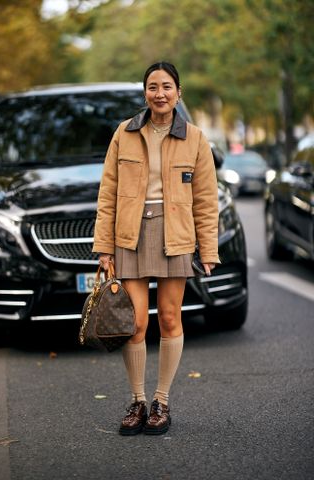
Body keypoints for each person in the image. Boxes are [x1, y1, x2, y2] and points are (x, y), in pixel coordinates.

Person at [92, 61, 220, 436]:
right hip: (130, 235)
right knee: (134, 324)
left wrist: (208, 250)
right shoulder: (125, 133)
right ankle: (137, 400)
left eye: (166, 86)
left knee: (169, 318)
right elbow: (108, 193)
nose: (159, 93)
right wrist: (104, 246)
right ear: (144, 93)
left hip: (175, 234)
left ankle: (161, 401)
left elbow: (206, 200)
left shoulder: (195, 138)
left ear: (178, 93)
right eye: (152, 87)